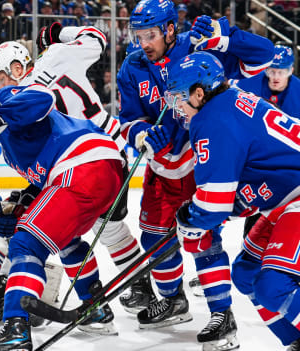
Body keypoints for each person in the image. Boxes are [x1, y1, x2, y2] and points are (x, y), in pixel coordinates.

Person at [117, 0, 273, 349]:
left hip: (199, 158)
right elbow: (127, 119)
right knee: (153, 237)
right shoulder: (132, 66)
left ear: (171, 29)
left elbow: (263, 55)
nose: (144, 43)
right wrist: (141, 134)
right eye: (139, 35)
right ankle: (173, 300)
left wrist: (225, 38)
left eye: (151, 34)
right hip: (160, 165)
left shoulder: (198, 46)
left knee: (200, 236)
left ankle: (222, 314)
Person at [0, 26, 155, 332]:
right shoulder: (57, 55)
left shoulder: (22, 98)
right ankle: (128, 292)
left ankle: (120, 293)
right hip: (100, 152)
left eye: (6, 74)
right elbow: (96, 39)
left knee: (99, 232)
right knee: (94, 232)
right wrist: (58, 34)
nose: (5, 83)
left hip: (86, 157)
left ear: (20, 65)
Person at [0, 83, 126, 351]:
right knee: (63, 240)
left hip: (82, 162)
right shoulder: (8, 149)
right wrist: (21, 208)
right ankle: (96, 311)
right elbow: (44, 186)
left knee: (25, 243)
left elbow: (43, 98)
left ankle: (16, 327)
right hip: (93, 171)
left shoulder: (6, 100)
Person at [164, 51, 300, 351]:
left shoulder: (211, 120)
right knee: (246, 272)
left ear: (199, 93)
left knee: (272, 288)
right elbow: (246, 187)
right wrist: (205, 214)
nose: (177, 109)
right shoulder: (230, 100)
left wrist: (192, 218)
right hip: (285, 200)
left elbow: (212, 206)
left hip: (295, 198)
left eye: (178, 99)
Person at [230, 44, 300, 238]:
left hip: (291, 171)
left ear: (291, 70)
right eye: (271, 70)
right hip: (258, 166)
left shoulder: (299, 94)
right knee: (253, 231)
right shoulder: (248, 85)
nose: (276, 77)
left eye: (282, 71)